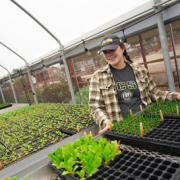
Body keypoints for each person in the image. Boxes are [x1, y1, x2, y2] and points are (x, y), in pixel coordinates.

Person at [89, 34, 180, 134]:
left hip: (148, 124)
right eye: (105, 52)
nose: (109, 54)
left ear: (122, 48)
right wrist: (107, 123)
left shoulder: (140, 70)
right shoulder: (98, 76)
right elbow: (95, 107)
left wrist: (176, 96)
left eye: (112, 50)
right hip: (120, 131)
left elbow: (154, 94)